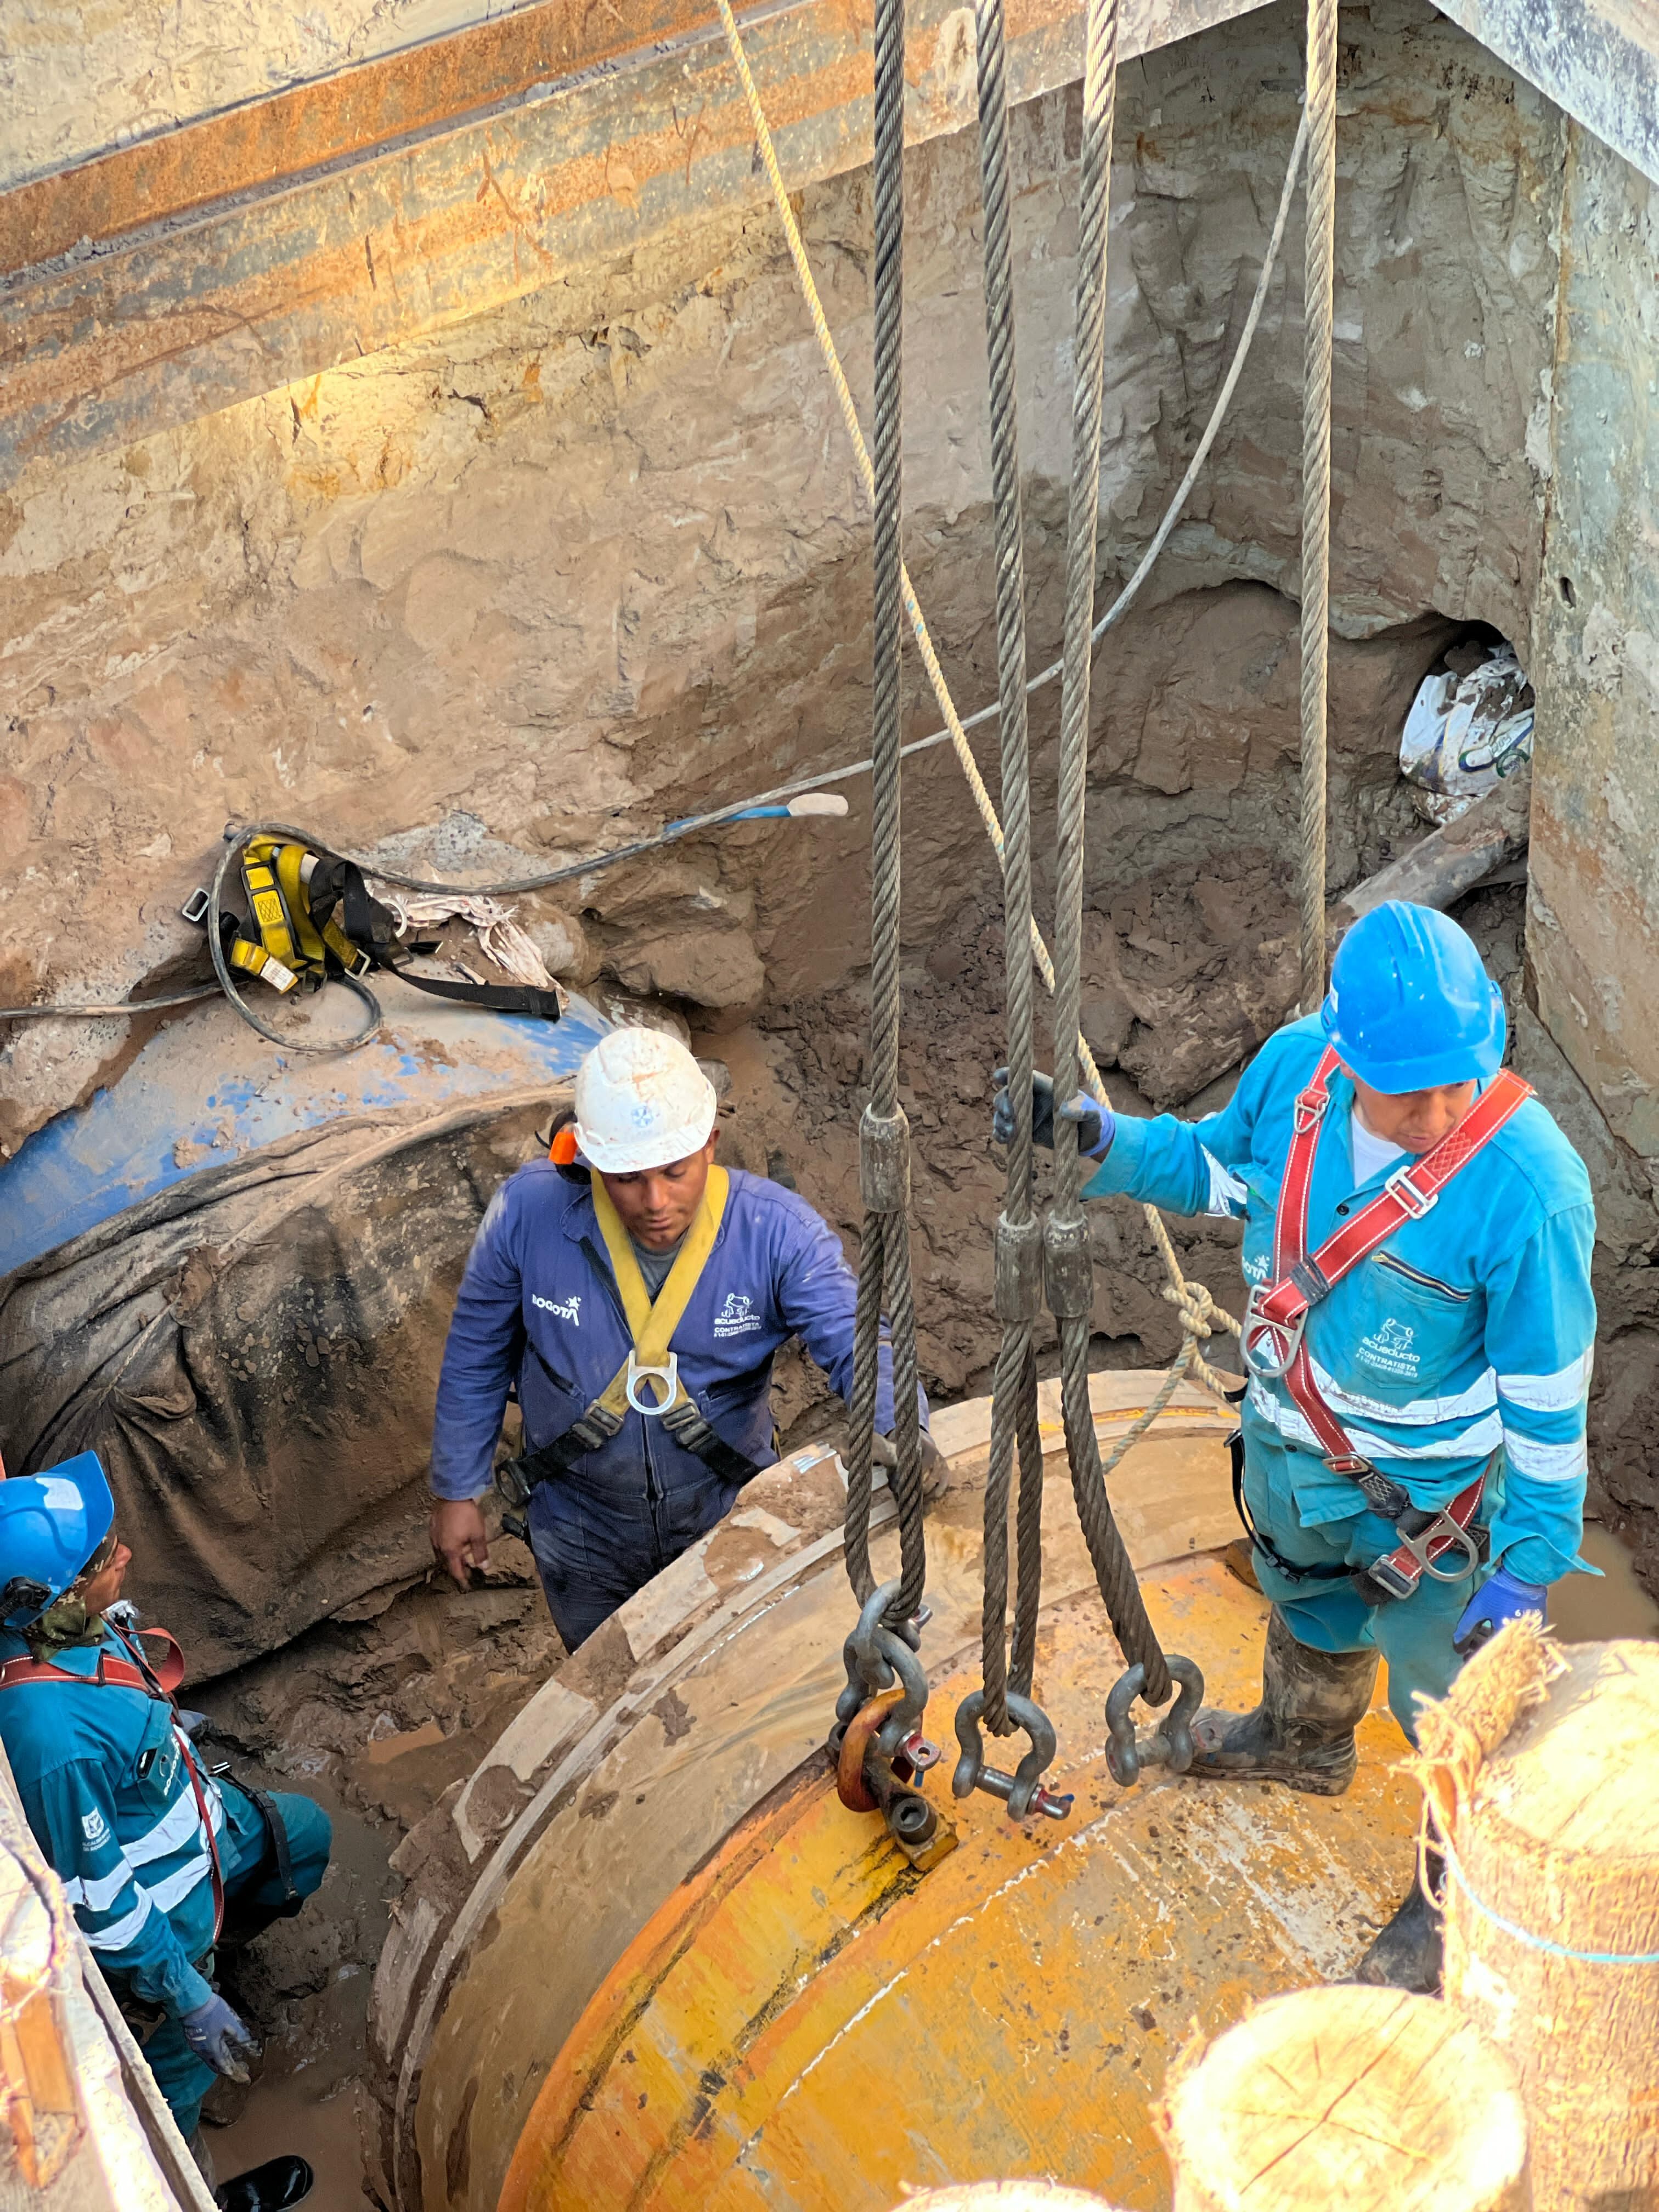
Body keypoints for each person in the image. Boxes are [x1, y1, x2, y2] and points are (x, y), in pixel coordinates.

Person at [995, 900, 1594, 1990]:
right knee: (1307, 1604)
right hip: (1292, 1455)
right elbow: (1221, 1173)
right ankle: (1303, 1740)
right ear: (1345, 1055)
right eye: (1407, 1092)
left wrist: (1532, 1561)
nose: (1438, 1112)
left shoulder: (1527, 1189)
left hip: (1433, 1507)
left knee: (1456, 1706)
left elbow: (1547, 1403)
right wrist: (1105, 1142)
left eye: (1458, 1082)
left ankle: (1455, 1892)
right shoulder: (1294, 1075)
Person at [431, 1025, 940, 1648]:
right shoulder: (527, 1215)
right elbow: (475, 1352)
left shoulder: (773, 1231)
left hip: (727, 1517)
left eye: (675, 1172)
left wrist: (901, 1426)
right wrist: (457, 1490)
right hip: (581, 1527)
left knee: (736, 1673)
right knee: (606, 1682)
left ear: (709, 1144)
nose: (655, 1201)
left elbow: (856, 1340)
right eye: (627, 1178)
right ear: (591, 1161)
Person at [0, 1451, 327, 2212]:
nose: (125, 1556)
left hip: (204, 1826)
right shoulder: (52, 1742)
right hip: (159, 1916)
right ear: (58, 1597)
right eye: (105, 1556)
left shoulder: (67, 1627)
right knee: (174, 2089)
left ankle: (225, 1948)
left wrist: (159, 1729)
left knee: (305, 1836)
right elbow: (103, 1902)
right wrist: (183, 1991)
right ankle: (196, 2188)